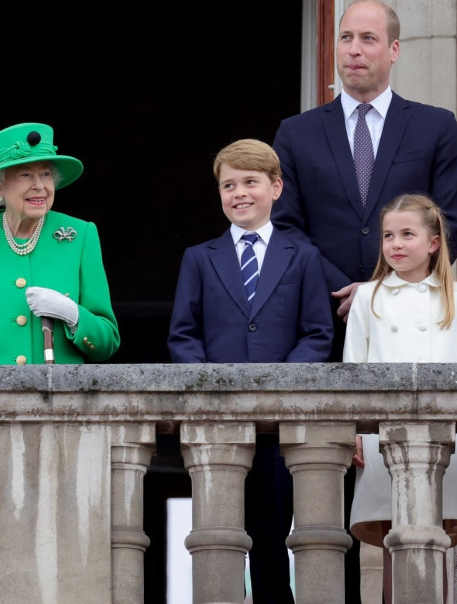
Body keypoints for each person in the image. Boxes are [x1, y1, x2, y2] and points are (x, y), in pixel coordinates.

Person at [272, 0, 457, 601]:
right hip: (322, 330)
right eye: (346, 38)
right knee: (323, 500)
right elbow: (286, 224)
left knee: (410, 508)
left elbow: (450, 219)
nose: (354, 50)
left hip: (412, 332)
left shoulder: (434, 126)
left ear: (394, 49)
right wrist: (350, 290)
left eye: (367, 39)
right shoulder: (298, 133)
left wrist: (381, 287)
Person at [0, 122, 120, 587]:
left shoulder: (79, 236)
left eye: (47, 175)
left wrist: (73, 314)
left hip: (59, 436)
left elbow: (108, 337)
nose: (40, 187)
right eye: (25, 176)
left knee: (58, 573)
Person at [168, 139, 333, 604]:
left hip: (279, 428)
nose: (239, 193)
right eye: (228, 185)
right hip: (219, 426)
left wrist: (276, 385)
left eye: (250, 182)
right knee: (219, 536)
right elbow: (183, 334)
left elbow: (318, 333)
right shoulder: (200, 258)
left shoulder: (303, 256)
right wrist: (210, 390)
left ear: (276, 188)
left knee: (272, 537)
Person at [344, 194, 457, 604]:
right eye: (389, 235)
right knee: (393, 536)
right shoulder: (367, 297)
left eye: (407, 234)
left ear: (434, 243)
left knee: (432, 532)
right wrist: (353, 429)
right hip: (381, 434)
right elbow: (353, 368)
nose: (396, 244)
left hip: (443, 434)